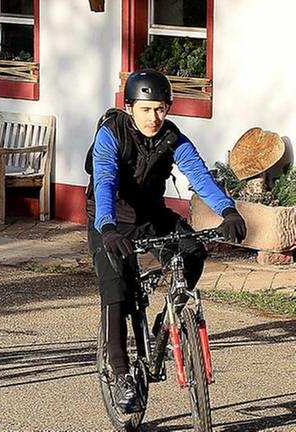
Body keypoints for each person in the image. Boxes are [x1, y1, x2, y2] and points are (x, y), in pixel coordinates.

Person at [85, 69, 247, 413]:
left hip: (150, 214)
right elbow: (104, 181)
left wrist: (228, 211)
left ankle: (168, 318)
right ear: (130, 107)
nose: (153, 117)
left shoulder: (173, 138)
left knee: (192, 250)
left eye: (160, 109)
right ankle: (121, 374)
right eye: (145, 109)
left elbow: (199, 176)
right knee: (116, 286)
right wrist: (108, 228)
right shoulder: (111, 134)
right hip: (110, 217)